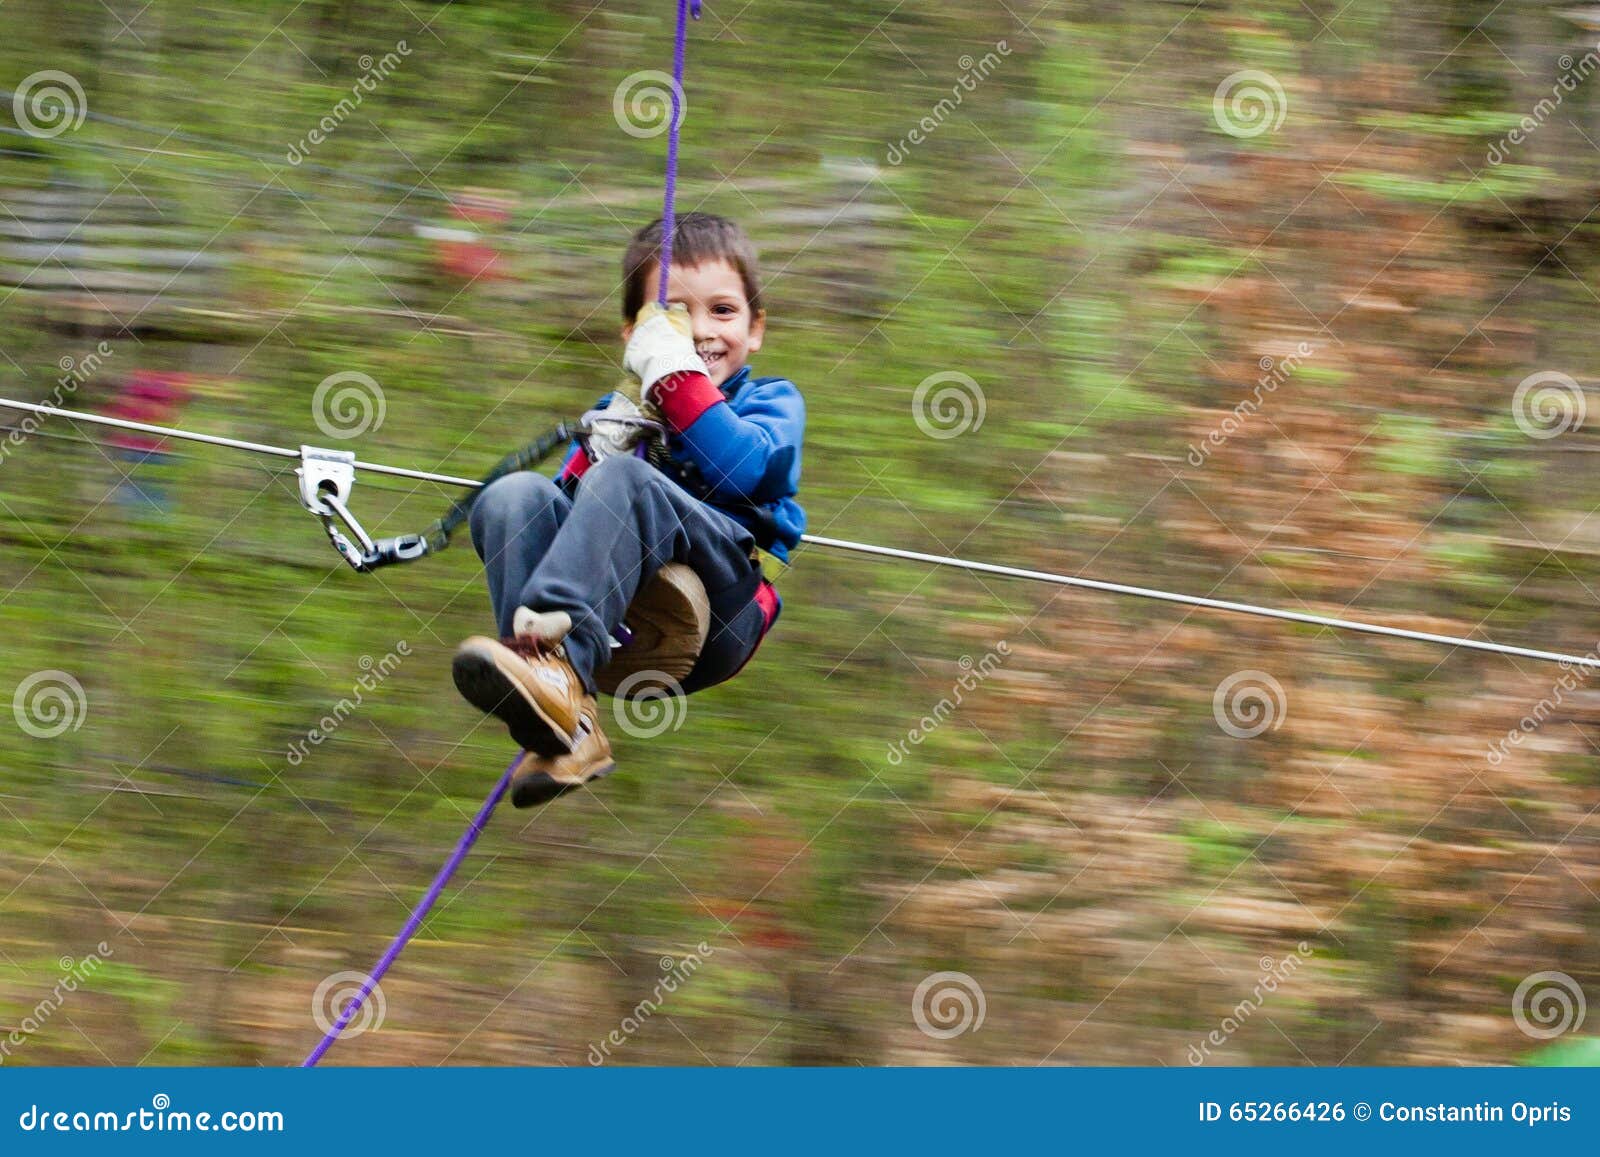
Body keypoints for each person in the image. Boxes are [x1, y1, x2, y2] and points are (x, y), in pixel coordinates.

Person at [452, 212, 805, 808]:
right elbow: (563, 525)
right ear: (634, 334)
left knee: (626, 479)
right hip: (622, 626)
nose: (700, 331)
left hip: (724, 607)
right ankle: (567, 714)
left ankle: (556, 667)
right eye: (674, 314)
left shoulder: (771, 401)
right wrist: (598, 451)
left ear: (756, 328)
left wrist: (675, 379)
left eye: (722, 310)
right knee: (515, 496)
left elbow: (743, 468)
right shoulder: (621, 409)